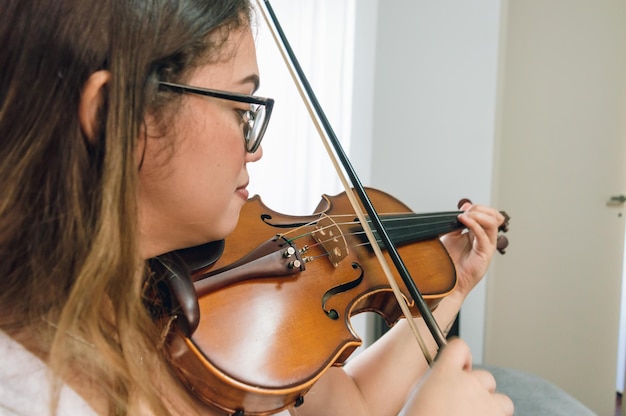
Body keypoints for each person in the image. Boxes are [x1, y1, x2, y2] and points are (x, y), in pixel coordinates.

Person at [0, 1, 513, 415]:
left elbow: (348, 407)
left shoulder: (191, 283)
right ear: (117, 116)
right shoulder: (28, 391)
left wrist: (454, 285)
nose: (255, 148)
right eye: (240, 108)